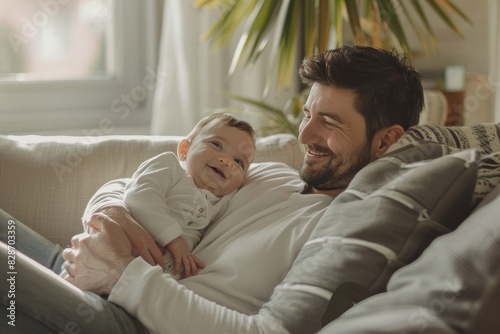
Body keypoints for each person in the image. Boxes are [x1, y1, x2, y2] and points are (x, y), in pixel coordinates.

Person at [0, 45, 424, 333]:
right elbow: (152, 181)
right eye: (308, 114)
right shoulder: (275, 176)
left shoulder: (343, 233)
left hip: (125, 322)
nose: (305, 133)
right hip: (94, 275)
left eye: (329, 122)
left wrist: (121, 276)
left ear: (386, 140)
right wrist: (111, 212)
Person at [93, 113, 255, 279]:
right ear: (185, 149)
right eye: (216, 144)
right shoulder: (170, 168)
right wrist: (175, 240)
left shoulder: (227, 201)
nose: (227, 161)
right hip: (112, 254)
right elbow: (139, 196)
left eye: (239, 162)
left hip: (156, 277)